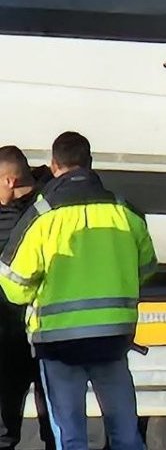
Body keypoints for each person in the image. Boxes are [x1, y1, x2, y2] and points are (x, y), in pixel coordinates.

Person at [0, 132, 157, 450]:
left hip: (59, 343)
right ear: (90, 163)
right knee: (125, 433)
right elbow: (146, 267)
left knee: (70, 436)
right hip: (113, 338)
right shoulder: (124, 210)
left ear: (55, 166)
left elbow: (14, 283)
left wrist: (34, 298)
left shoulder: (44, 217)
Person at [0, 147, 55, 450]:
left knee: (53, 424)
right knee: (4, 428)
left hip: (42, 327)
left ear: (9, 180)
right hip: (6, 336)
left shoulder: (47, 207)